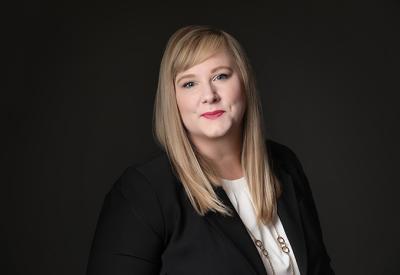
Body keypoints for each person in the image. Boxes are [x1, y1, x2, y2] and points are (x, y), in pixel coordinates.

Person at [86, 25, 335, 275]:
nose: (209, 95)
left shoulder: (284, 165)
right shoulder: (143, 192)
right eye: (189, 83)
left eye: (221, 76)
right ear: (172, 99)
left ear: (245, 83)